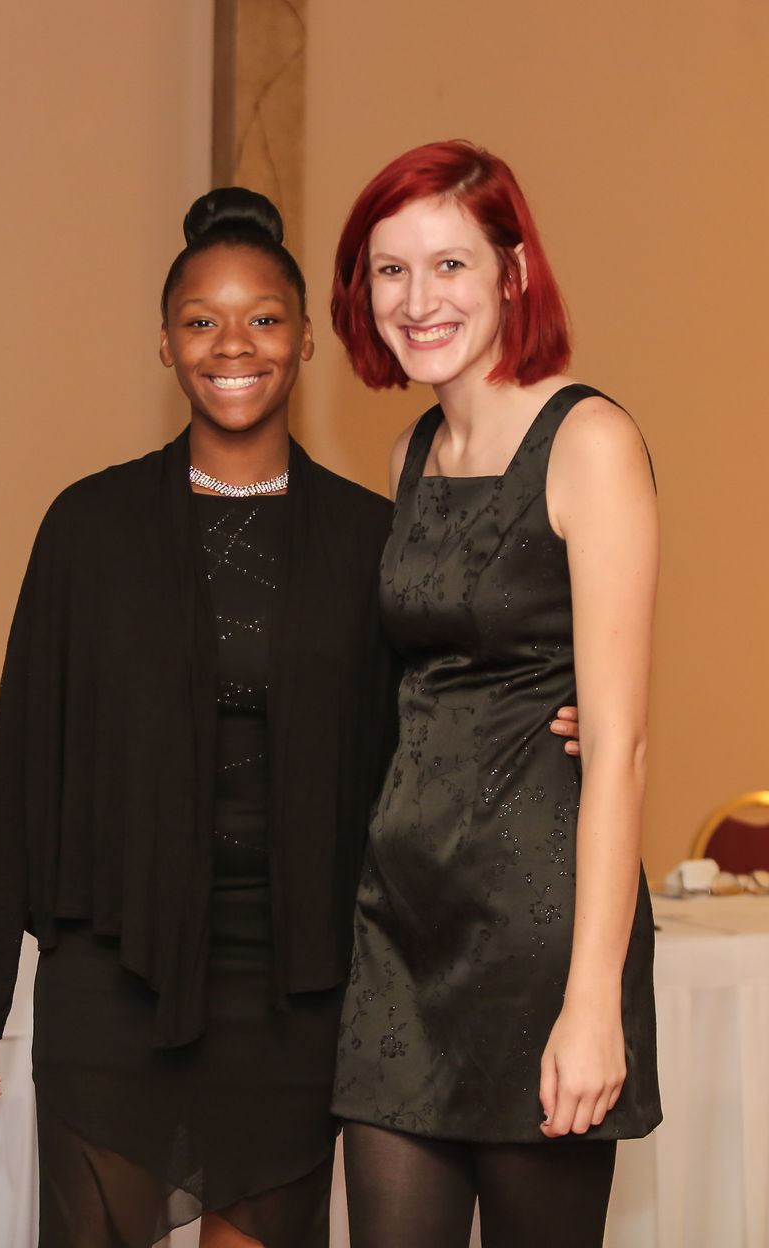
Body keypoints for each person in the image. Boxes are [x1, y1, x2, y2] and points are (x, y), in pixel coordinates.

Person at [0, 187, 585, 1248]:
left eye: (264, 318)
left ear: (307, 339)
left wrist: (556, 714)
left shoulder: (373, 540)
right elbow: (18, 773)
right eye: (202, 320)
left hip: (298, 991)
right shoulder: (88, 528)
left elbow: (436, 721)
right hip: (114, 980)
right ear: (165, 344)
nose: (233, 344)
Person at [326, 141, 663, 1248]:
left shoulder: (590, 442)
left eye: (450, 265)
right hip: (401, 927)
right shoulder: (411, 451)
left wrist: (593, 1000)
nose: (417, 300)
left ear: (513, 273)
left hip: (538, 931)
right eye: (390, 270)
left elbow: (618, 745)